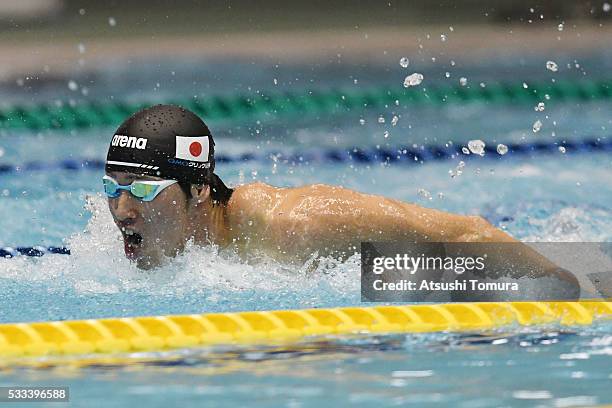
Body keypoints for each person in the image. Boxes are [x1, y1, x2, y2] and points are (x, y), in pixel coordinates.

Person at [104, 104, 580, 298]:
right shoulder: (128, 252)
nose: (123, 211)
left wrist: (563, 285)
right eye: (113, 187)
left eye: (143, 190)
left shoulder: (291, 224)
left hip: (429, 275)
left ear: (200, 189)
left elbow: (467, 234)